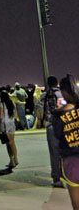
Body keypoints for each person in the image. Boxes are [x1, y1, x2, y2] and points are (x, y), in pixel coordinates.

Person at [53, 74, 79, 210]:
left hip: (71, 161)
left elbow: (57, 135)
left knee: (76, 204)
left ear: (63, 92)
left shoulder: (58, 115)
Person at [42, 75, 65, 188]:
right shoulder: (61, 94)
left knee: (54, 153)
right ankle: (66, 173)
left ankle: (57, 178)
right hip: (63, 125)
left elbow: (38, 107)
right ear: (57, 83)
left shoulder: (44, 94)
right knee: (65, 151)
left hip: (51, 125)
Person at [0, 89, 18, 168]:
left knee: (8, 144)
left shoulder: (2, 104)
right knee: (13, 142)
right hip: (12, 123)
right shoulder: (12, 103)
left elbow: (1, 116)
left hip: (5, 124)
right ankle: (16, 158)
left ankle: (12, 160)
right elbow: (16, 114)